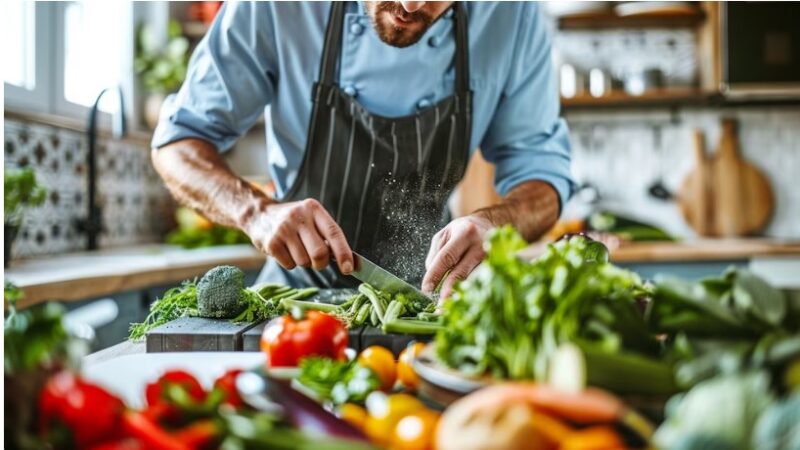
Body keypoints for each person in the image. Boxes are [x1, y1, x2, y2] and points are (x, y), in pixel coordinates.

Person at [152, 1, 573, 299]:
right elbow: (177, 143)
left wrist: (496, 225)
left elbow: (543, 177)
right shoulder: (277, 7)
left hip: (430, 300)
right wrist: (255, 212)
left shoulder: (512, 14)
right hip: (295, 302)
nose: (413, 4)